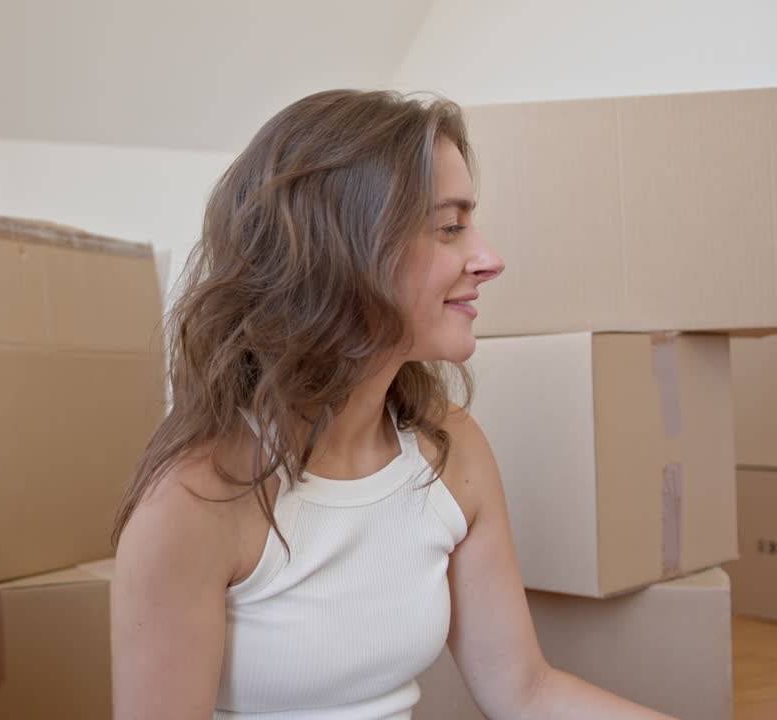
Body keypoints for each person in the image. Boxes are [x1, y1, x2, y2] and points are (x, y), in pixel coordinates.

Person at [110, 90, 676, 720]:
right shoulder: (194, 499)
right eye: (450, 227)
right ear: (344, 250)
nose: (488, 259)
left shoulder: (448, 449)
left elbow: (525, 692)